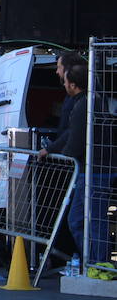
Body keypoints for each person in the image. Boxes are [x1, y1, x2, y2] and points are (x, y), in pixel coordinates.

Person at [39, 60, 115, 263]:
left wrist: (59, 152)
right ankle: (95, 262)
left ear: (73, 84)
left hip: (94, 171)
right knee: (88, 220)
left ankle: (98, 264)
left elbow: (74, 140)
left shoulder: (84, 105)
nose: (63, 84)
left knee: (84, 220)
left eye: (65, 81)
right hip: (94, 169)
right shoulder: (91, 101)